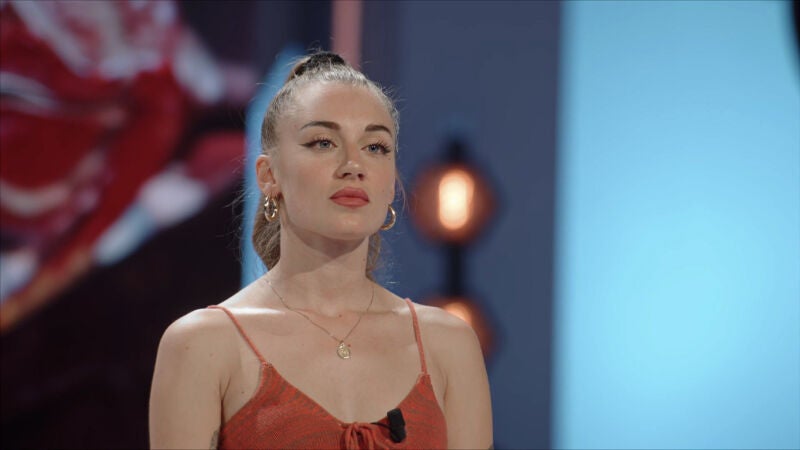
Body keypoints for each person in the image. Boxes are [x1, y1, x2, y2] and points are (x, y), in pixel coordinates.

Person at [148, 51, 493, 449]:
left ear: (391, 183)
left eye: (375, 147)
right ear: (269, 175)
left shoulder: (449, 345)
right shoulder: (202, 345)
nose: (353, 165)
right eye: (323, 142)